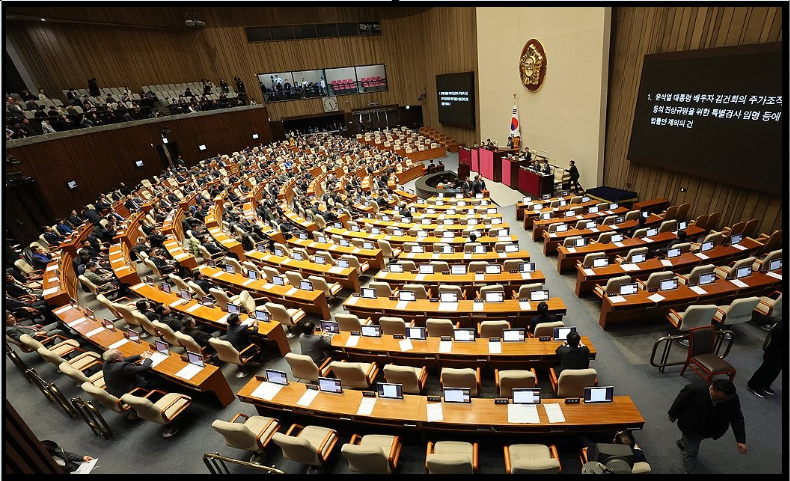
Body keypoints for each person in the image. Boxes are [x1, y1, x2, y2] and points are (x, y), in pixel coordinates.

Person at [668, 379, 746, 474]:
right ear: (712, 388)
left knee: (692, 442)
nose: (721, 401)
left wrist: (741, 440)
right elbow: (680, 402)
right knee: (691, 453)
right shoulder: (694, 389)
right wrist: (672, 415)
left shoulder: (731, 398)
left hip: (711, 430)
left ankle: (683, 443)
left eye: (724, 400)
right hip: (692, 426)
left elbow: (737, 417)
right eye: (718, 398)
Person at [747, 318, 782, 398]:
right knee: (767, 368)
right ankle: (753, 385)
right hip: (776, 350)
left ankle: (765, 384)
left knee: (776, 369)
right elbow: (778, 331)